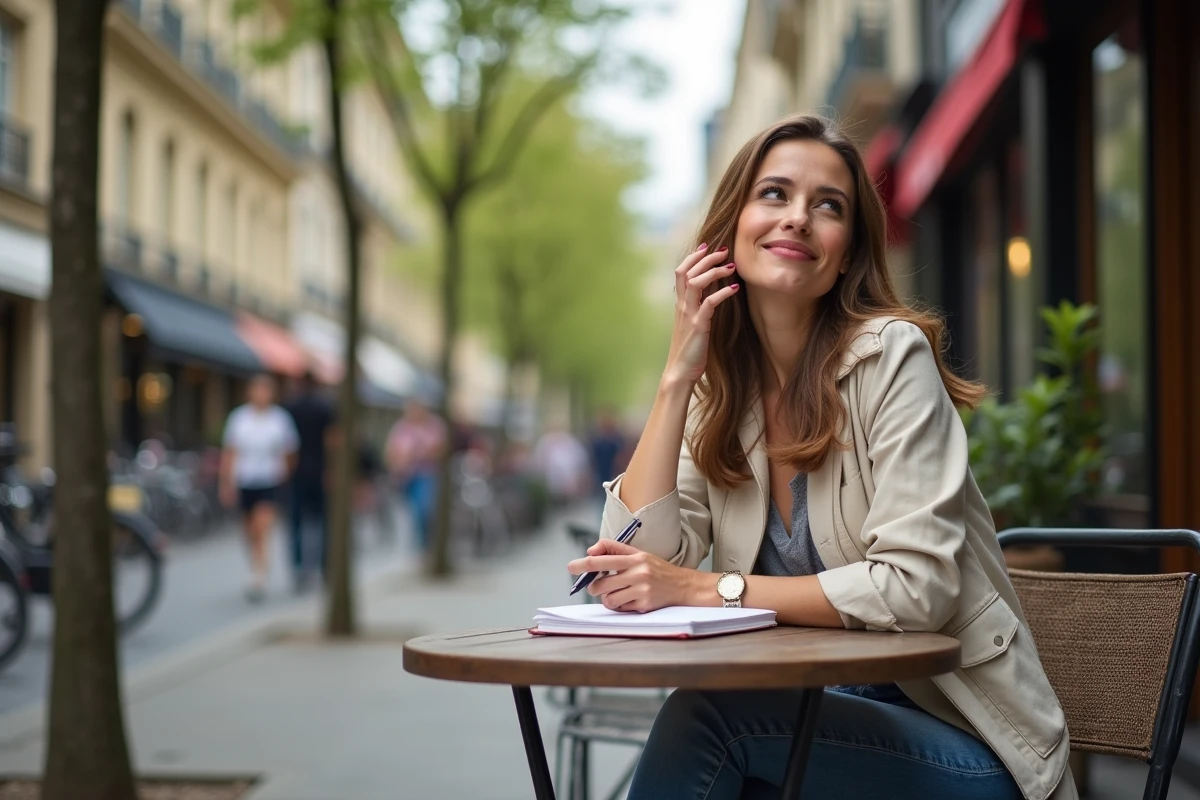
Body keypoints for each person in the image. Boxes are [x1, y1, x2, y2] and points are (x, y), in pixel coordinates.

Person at [566, 115, 1076, 800]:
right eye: (774, 194)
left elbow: (915, 587)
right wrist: (677, 376)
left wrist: (705, 589)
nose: (798, 218)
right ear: (730, 230)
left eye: (827, 206)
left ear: (846, 254)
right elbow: (646, 553)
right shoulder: (721, 392)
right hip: (808, 731)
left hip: (970, 748)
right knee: (723, 735)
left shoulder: (891, 357)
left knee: (709, 719)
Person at [220, 374, 299, 603]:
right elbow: (230, 452)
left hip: (269, 480)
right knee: (248, 530)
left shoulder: (280, 419)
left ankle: (258, 576)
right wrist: (226, 482)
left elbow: (290, 450)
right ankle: (257, 564)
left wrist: (284, 472)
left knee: (261, 526)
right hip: (245, 480)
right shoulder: (239, 418)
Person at [283, 370, 337, 593]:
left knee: (295, 523)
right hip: (321, 472)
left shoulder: (289, 408)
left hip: (296, 474)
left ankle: (298, 568)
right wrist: (332, 469)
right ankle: (325, 567)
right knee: (324, 522)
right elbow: (333, 441)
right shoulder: (326, 407)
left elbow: (285, 445)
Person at [385, 399, 447, 551]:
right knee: (412, 512)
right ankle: (419, 544)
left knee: (424, 509)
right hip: (405, 477)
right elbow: (391, 452)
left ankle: (425, 545)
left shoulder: (434, 426)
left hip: (426, 474)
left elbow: (440, 450)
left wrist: (419, 453)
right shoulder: (401, 427)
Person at [588, 409, 626, 500]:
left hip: (614, 475)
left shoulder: (617, 439)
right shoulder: (597, 440)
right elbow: (592, 460)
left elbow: (621, 457)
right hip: (600, 476)